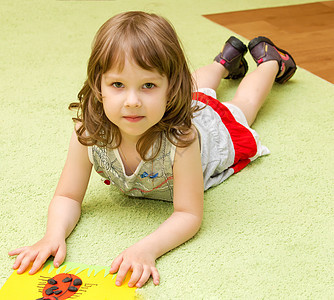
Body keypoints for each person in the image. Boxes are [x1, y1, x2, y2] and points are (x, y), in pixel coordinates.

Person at [8, 11, 297, 288]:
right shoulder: (88, 132)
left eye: (148, 85)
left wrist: (146, 248)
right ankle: (224, 62)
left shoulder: (183, 141)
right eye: (118, 84)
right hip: (172, 105)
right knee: (197, 90)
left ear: (170, 89)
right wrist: (52, 235)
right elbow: (67, 195)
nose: (132, 101)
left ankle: (270, 62)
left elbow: (188, 215)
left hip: (211, 130)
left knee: (242, 107)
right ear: (98, 86)